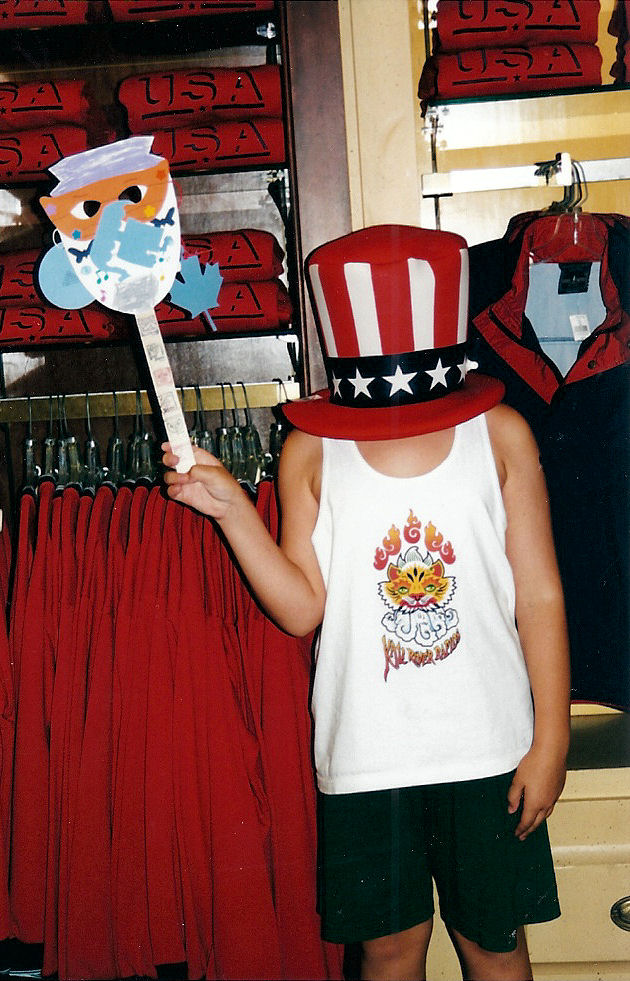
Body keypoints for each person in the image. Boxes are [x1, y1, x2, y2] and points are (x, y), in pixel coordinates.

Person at [163, 225, 570, 981]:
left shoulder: (500, 435)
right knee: (387, 949)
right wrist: (232, 512)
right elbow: (300, 608)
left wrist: (552, 741)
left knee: (494, 941)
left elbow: (541, 594)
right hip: (367, 757)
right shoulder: (309, 451)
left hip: (491, 750)